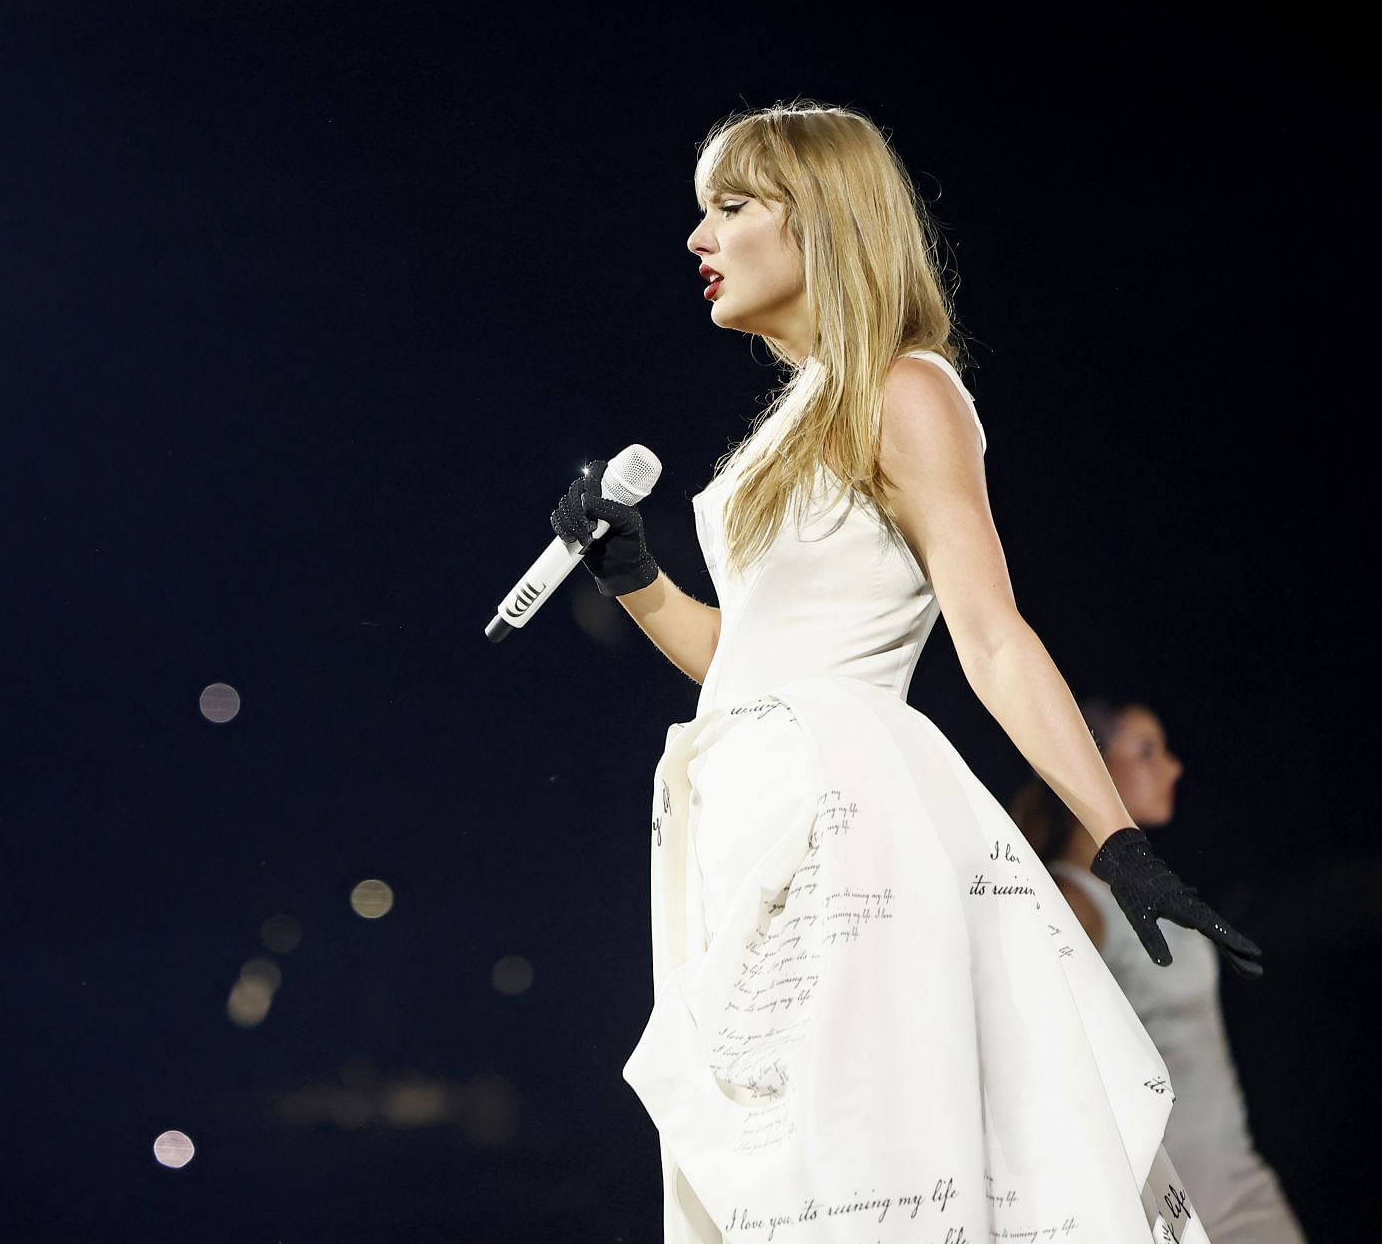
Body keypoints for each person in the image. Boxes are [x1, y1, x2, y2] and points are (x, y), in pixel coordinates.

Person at [546, 101, 1262, 1243]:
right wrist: (635, 577)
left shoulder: (905, 387)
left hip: (849, 828)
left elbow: (990, 632)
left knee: (867, 1173)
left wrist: (1115, 835)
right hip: (750, 810)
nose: (699, 237)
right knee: (789, 1185)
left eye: (731, 207)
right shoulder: (798, 414)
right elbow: (753, 662)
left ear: (823, 220)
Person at [1011, 702, 1307, 1243]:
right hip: (1162, 1192)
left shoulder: (1145, 893)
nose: (1172, 767)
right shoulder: (1071, 899)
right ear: (1089, 761)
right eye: (1146, 751)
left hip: (1234, 1173)